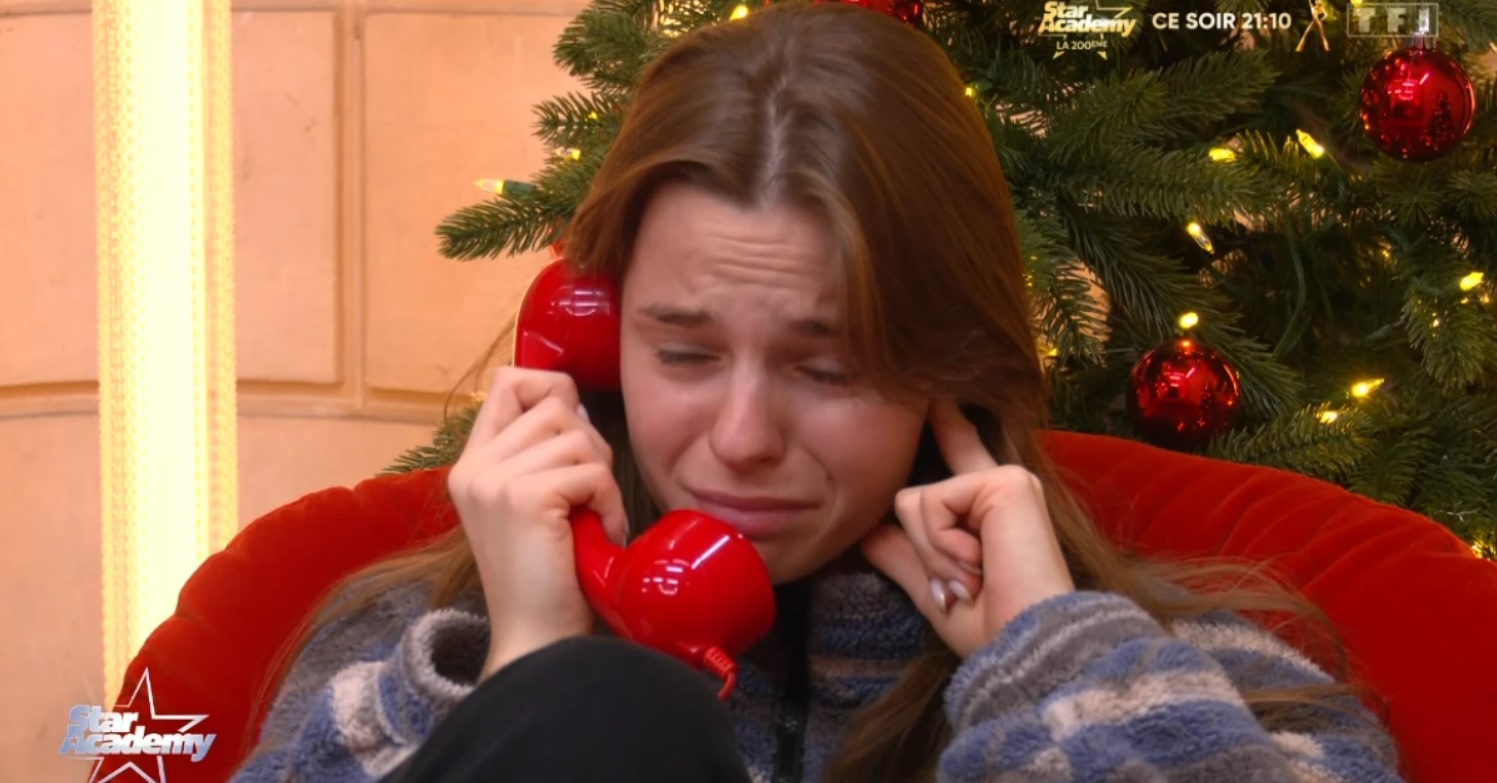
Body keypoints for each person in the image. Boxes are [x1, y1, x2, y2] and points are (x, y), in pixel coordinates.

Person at [231, 2, 1404, 782]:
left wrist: (1053, 662)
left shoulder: (1210, 685)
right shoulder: (399, 661)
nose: (739, 441)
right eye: (683, 354)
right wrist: (531, 666)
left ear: (957, 364)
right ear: (590, 343)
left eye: (829, 366)